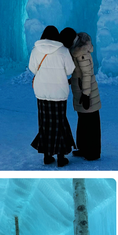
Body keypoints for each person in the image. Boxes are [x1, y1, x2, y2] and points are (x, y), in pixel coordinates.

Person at [29, 25, 76, 167]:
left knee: (45, 123)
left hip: (41, 92)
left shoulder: (36, 50)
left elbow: (32, 68)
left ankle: (47, 156)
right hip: (59, 93)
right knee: (59, 123)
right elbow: (70, 70)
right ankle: (61, 157)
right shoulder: (63, 50)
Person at [66, 29, 102, 161]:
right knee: (83, 121)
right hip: (80, 91)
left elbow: (87, 74)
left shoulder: (81, 54)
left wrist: (86, 94)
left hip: (86, 93)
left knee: (90, 122)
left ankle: (92, 152)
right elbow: (79, 73)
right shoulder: (77, 52)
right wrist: (72, 80)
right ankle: (83, 148)